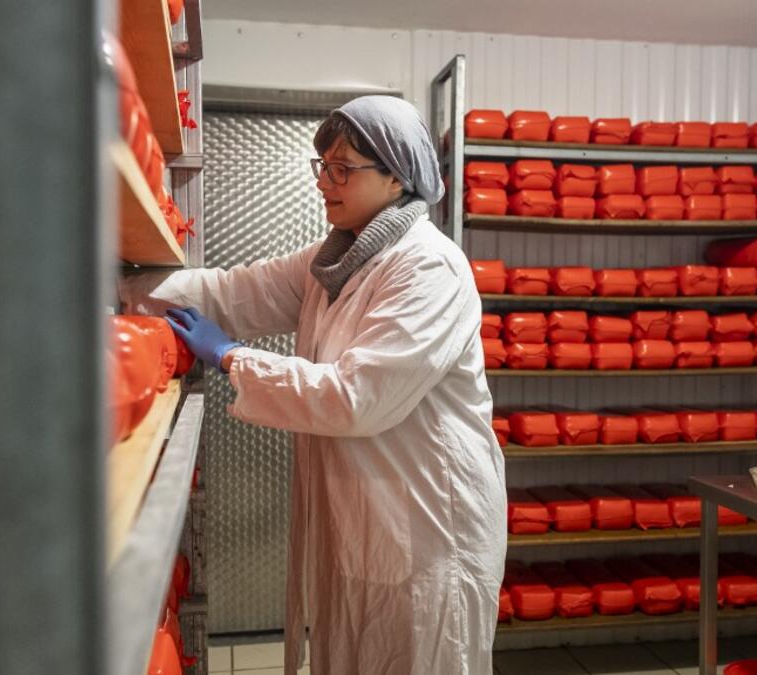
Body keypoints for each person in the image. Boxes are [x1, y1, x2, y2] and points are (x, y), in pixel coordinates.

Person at [124, 95, 506, 675]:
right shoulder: (336, 259)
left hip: (428, 526)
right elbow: (234, 292)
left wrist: (232, 358)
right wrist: (127, 292)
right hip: (365, 514)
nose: (325, 182)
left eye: (343, 169)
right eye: (322, 166)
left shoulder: (429, 267)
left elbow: (358, 398)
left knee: (421, 657)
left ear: (396, 177)